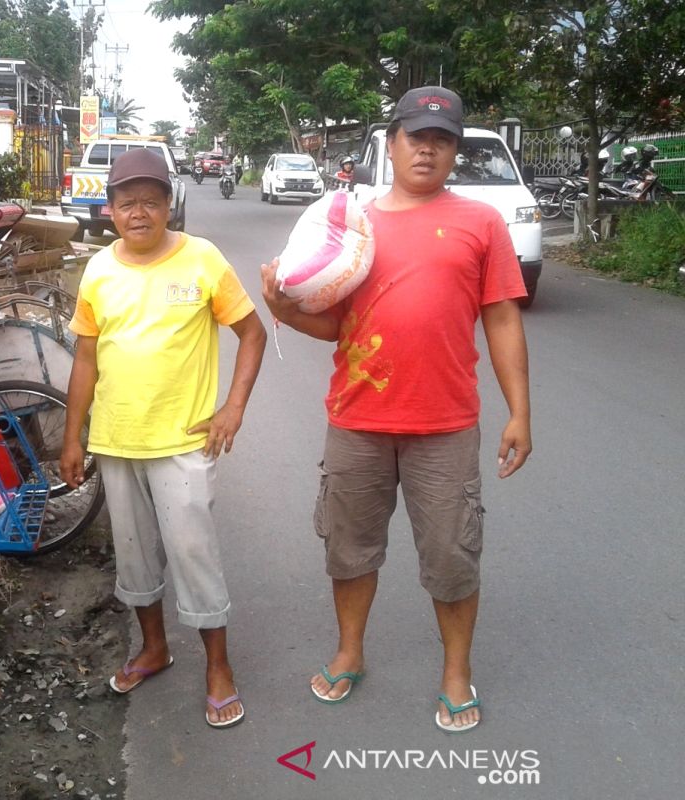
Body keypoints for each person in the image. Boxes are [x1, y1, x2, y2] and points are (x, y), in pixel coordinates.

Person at [260, 85, 531, 733]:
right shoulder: (352, 225)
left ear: (454, 151)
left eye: (442, 139)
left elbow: (500, 319)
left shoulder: (481, 224)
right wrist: (285, 311)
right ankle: (351, 651)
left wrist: (521, 410)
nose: (428, 149)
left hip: (446, 428)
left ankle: (456, 671)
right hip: (357, 422)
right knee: (349, 550)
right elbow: (336, 329)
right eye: (417, 136)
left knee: (452, 556)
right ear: (392, 142)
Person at [60, 147, 267, 729]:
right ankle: (154, 647)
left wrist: (233, 408)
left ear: (169, 206)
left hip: (182, 441)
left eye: (152, 201)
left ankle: (218, 667)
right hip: (117, 440)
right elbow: (84, 355)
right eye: (128, 203)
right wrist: (73, 438)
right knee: (134, 554)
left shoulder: (202, 259)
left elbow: (252, 333)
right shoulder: (98, 269)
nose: (140, 212)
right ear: (110, 210)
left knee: (194, 553)